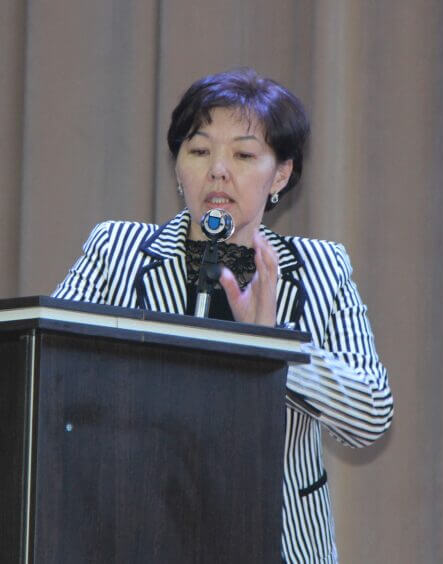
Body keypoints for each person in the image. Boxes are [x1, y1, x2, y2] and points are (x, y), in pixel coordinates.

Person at [53, 68, 393, 563]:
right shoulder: (116, 252)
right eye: (199, 150)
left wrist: (272, 349)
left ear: (281, 174)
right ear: (178, 169)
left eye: (243, 155)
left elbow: (371, 415)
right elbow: (51, 375)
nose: (217, 170)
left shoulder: (322, 268)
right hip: (133, 536)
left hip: (274, 540)